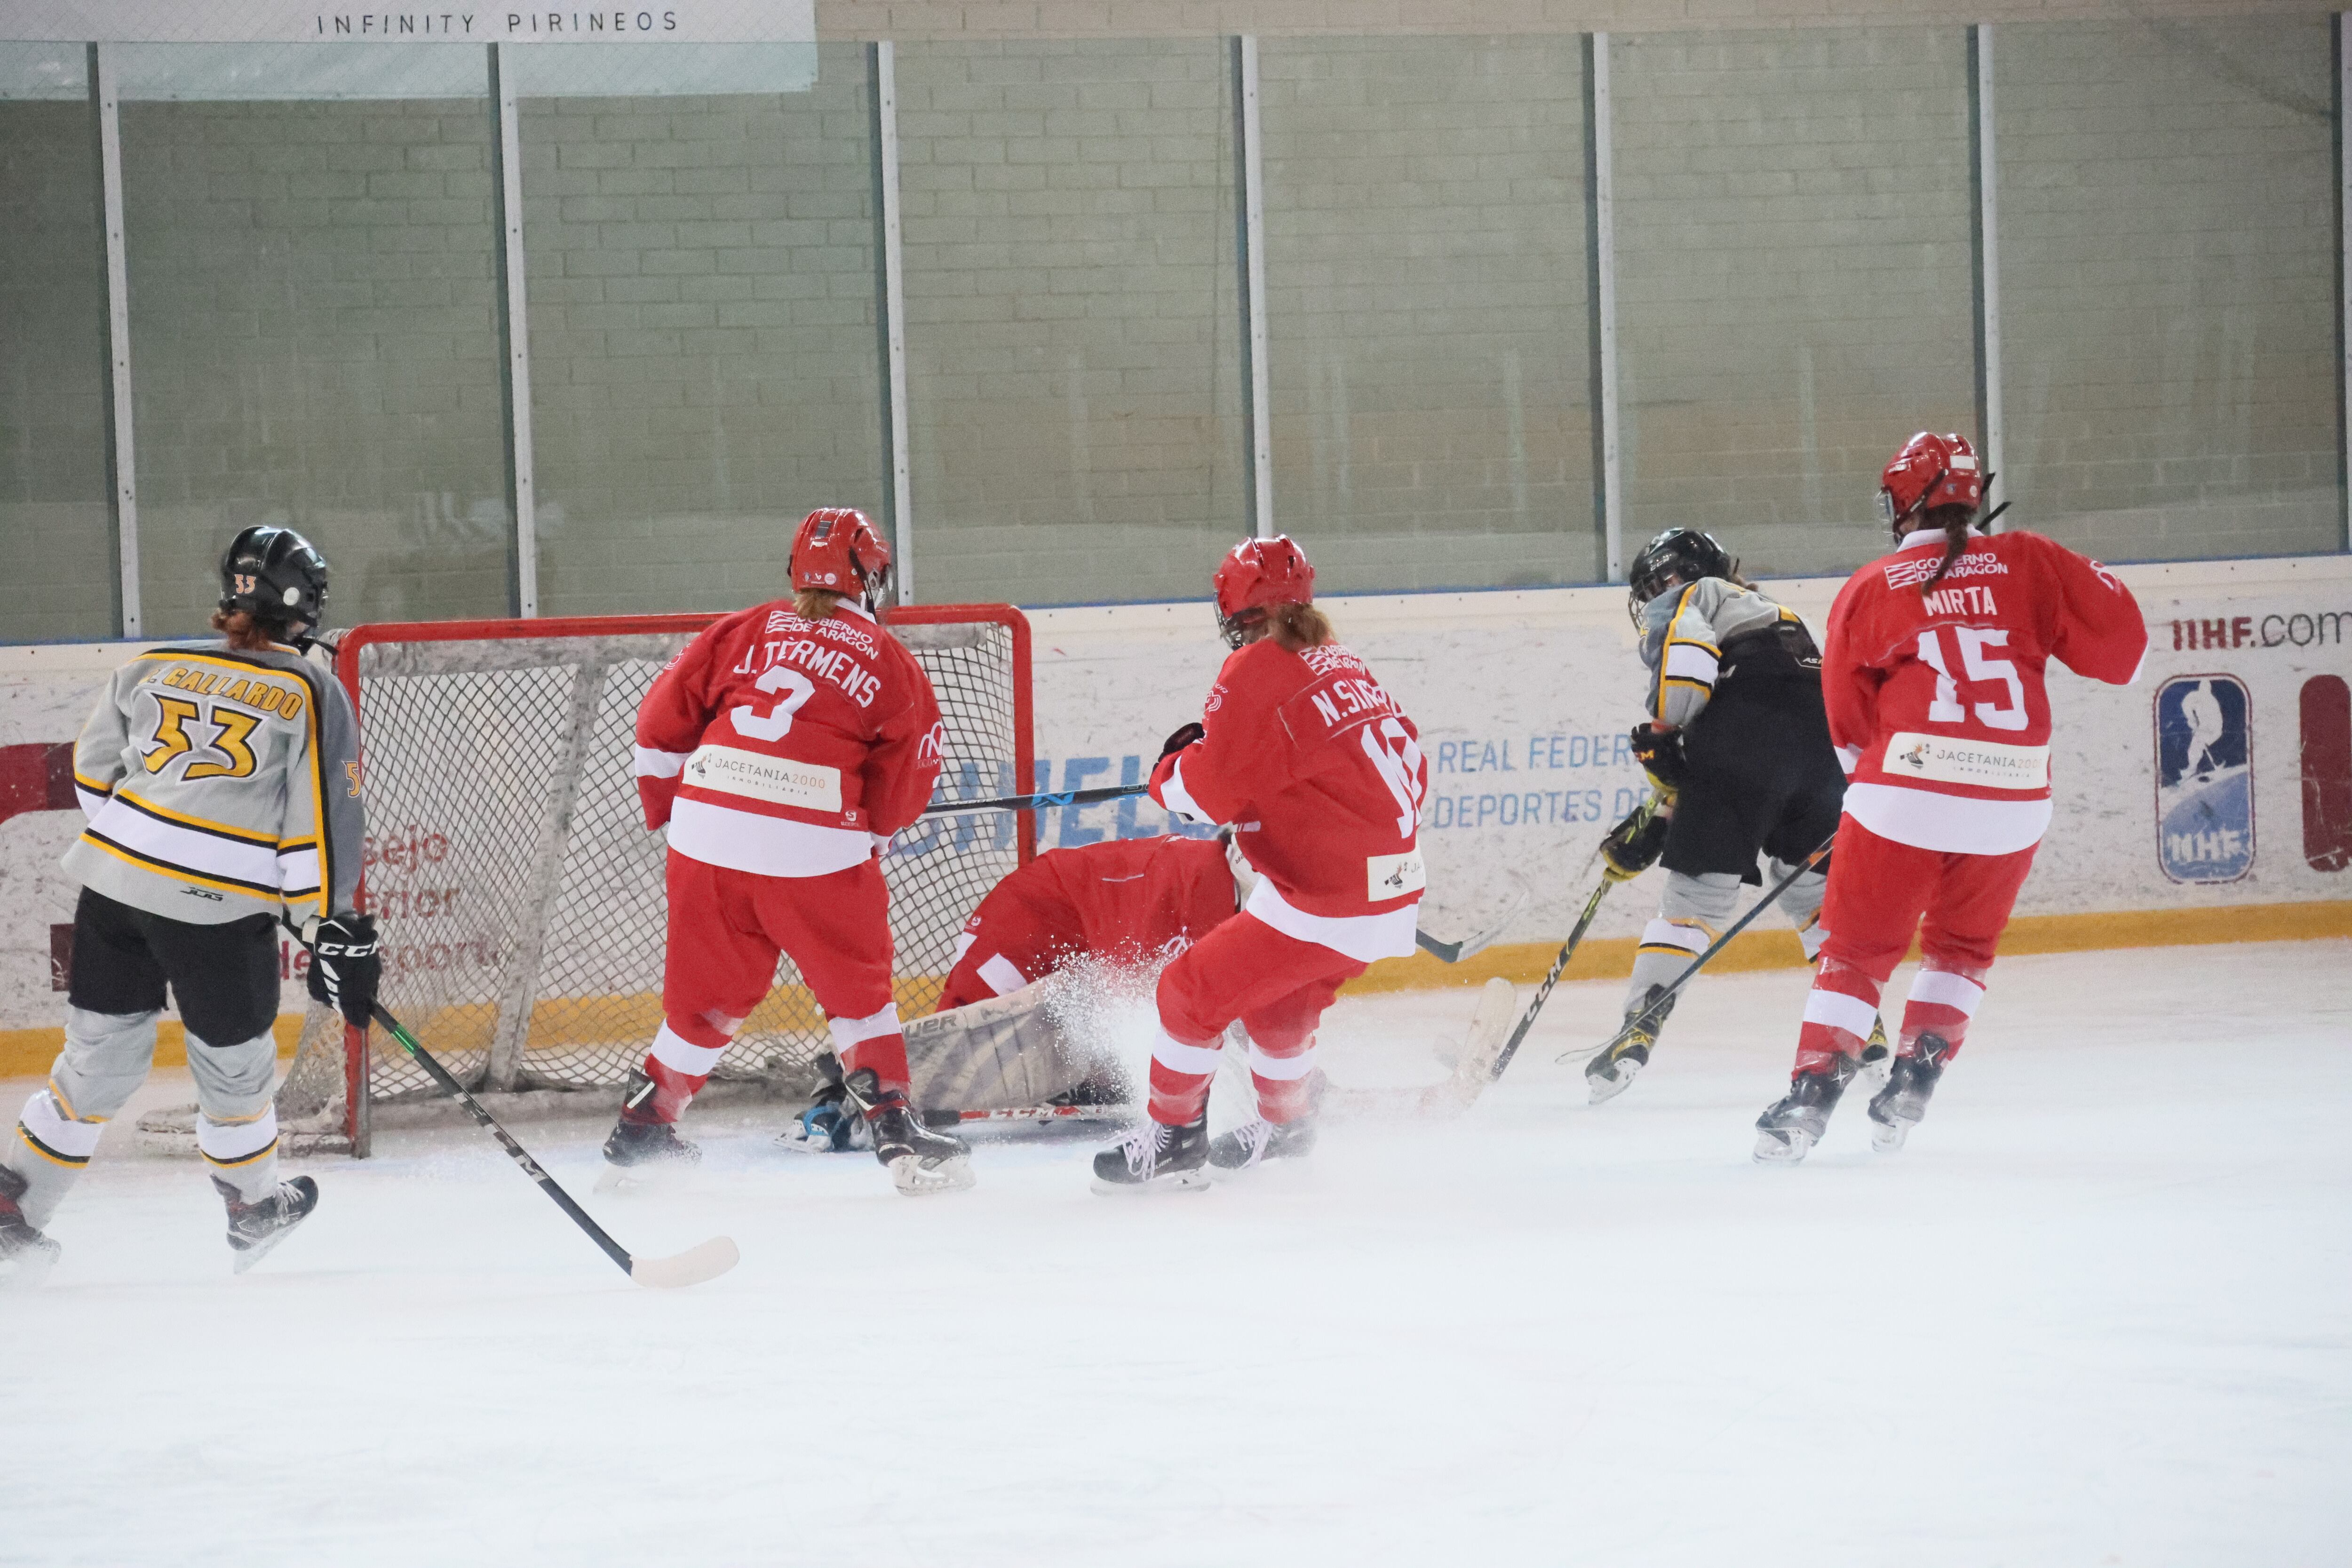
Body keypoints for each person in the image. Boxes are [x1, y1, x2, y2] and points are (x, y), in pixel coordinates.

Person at [1753, 431, 2146, 1162]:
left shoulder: (1874, 586)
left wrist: (1878, 796)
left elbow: (1846, 727)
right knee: (1963, 948)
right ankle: (1916, 1078)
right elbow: (2127, 652)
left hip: (1905, 787)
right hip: (2017, 795)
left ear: (1904, 500)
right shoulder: (2032, 559)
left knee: (1857, 954)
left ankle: (1810, 1097)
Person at [0, 526, 374, 1284]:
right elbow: (325, 818)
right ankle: (252, 1208)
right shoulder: (309, 689)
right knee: (234, 1070)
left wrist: (149, 847)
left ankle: (16, 1211)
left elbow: (94, 770)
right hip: (214, 911)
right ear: (304, 608)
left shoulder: (151, 664)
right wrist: (328, 919)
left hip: (112, 886)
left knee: (97, 1059)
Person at [605, 507, 973, 1196]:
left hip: (704, 832)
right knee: (857, 992)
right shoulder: (888, 660)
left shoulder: (742, 629)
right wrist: (872, 833)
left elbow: (658, 726)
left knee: (705, 1000)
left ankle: (645, 1124)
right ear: (868, 580)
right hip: (811, 848)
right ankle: (896, 1131)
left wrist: (672, 810)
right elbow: (907, 776)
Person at [1091, 534, 1428, 1192]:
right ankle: (1288, 1125)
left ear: (1232, 610)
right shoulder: (1344, 661)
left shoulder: (1255, 667)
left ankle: (1174, 1138)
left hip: (1327, 895)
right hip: (1394, 886)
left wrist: (1168, 773)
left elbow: (1210, 793)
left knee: (1187, 993)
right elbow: (1397, 768)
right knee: (1281, 1009)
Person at [1585, 527, 1884, 1102]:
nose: (1653, 597)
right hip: (1821, 753)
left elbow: (1696, 696)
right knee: (1815, 895)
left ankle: (1635, 1033)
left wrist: (1662, 740)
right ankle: (1861, 1029)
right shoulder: (1777, 614)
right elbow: (1771, 726)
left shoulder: (1695, 600)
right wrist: (1670, 806)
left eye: (1657, 584)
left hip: (1747, 738)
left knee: (1694, 903)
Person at [937, 831, 1247, 1011]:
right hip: (1025, 921)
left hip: (1065, 938)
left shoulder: (1206, 878)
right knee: (957, 1054)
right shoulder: (1199, 884)